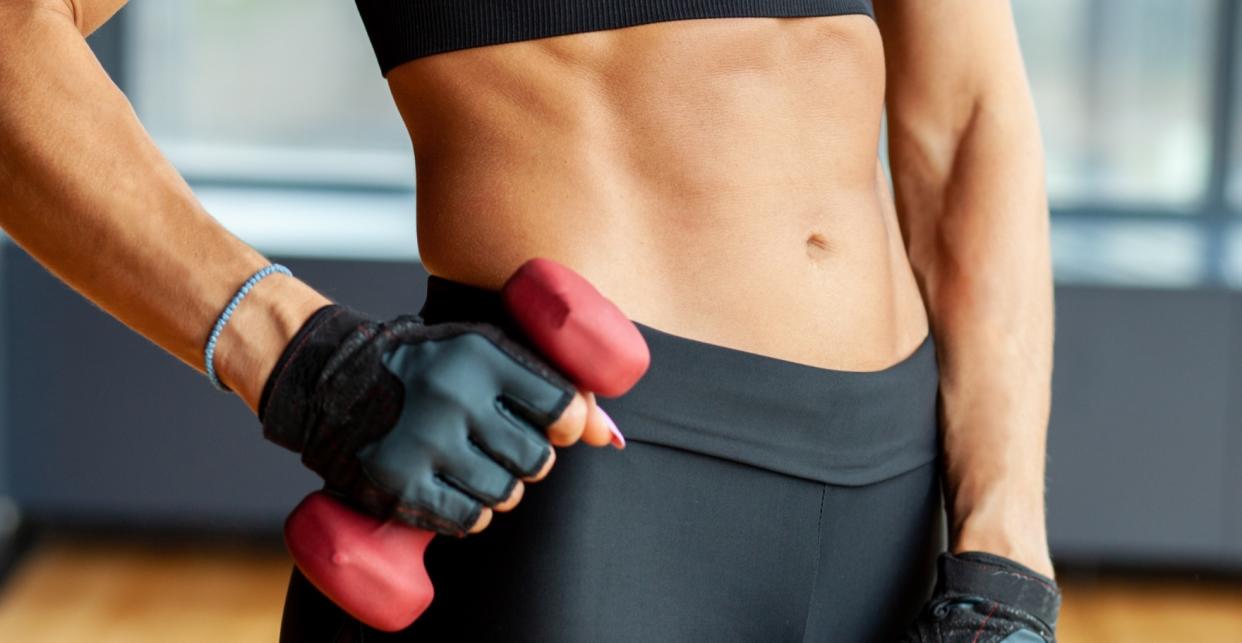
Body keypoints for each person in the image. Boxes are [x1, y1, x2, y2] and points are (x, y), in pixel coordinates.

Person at [0, 0, 1062, 641]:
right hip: (583, 480)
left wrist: (1007, 541)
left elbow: (970, 117)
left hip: (900, 496)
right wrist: (295, 354)